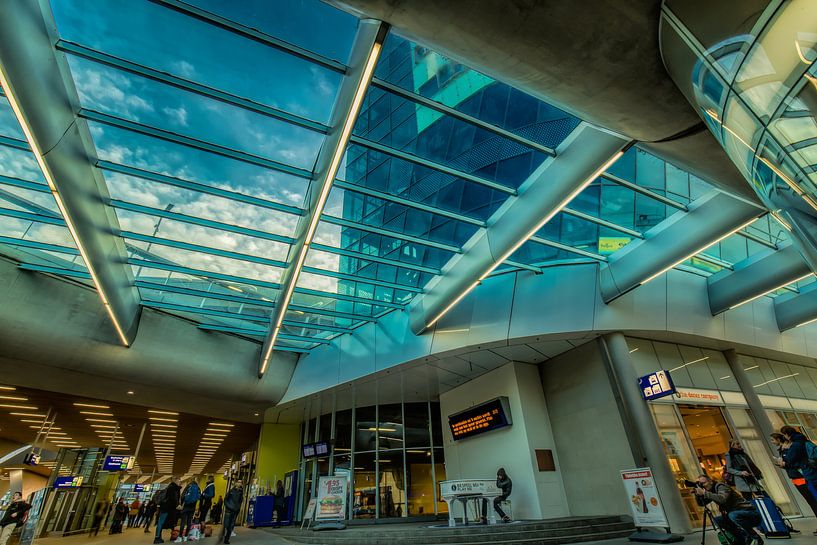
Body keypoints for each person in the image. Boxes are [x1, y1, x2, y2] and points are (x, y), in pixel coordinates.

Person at [694, 473, 763, 545]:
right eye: (701, 484)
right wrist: (697, 494)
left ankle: (755, 537)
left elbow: (722, 499)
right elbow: (701, 504)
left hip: (750, 514)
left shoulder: (721, 486)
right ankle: (741, 540)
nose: (703, 485)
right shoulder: (711, 492)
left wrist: (705, 493)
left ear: (711, 481)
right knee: (718, 520)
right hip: (736, 516)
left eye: (704, 483)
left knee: (733, 515)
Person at [771, 432, 812, 534]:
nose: (772, 442)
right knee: (810, 500)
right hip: (795, 477)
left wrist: (784, 463)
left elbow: (794, 462)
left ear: (778, 439)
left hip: (800, 476)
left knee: (812, 499)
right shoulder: (783, 449)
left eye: (773, 440)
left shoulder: (788, 448)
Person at [155, 477, 181, 544]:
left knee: (163, 522)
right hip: (168, 508)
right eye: (179, 481)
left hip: (165, 507)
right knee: (164, 522)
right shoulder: (173, 488)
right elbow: (174, 498)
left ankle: (158, 537)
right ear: (175, 481)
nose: (180, 482)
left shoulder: (169, 487)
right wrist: (177, 505)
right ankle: (158, 538)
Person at [222, 480, 243, 545]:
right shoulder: (231, 491)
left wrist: (238, 508)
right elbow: (225, 500)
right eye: (238, 482)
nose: (240, 483)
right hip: (229, 510)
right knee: (226, 524)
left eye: (241, 482)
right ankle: (223, 535)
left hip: (235, 511)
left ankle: (227, 539)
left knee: (231, 525)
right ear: (236, 483)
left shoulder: (241, 492)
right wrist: (228, 506)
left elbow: (240, 501)